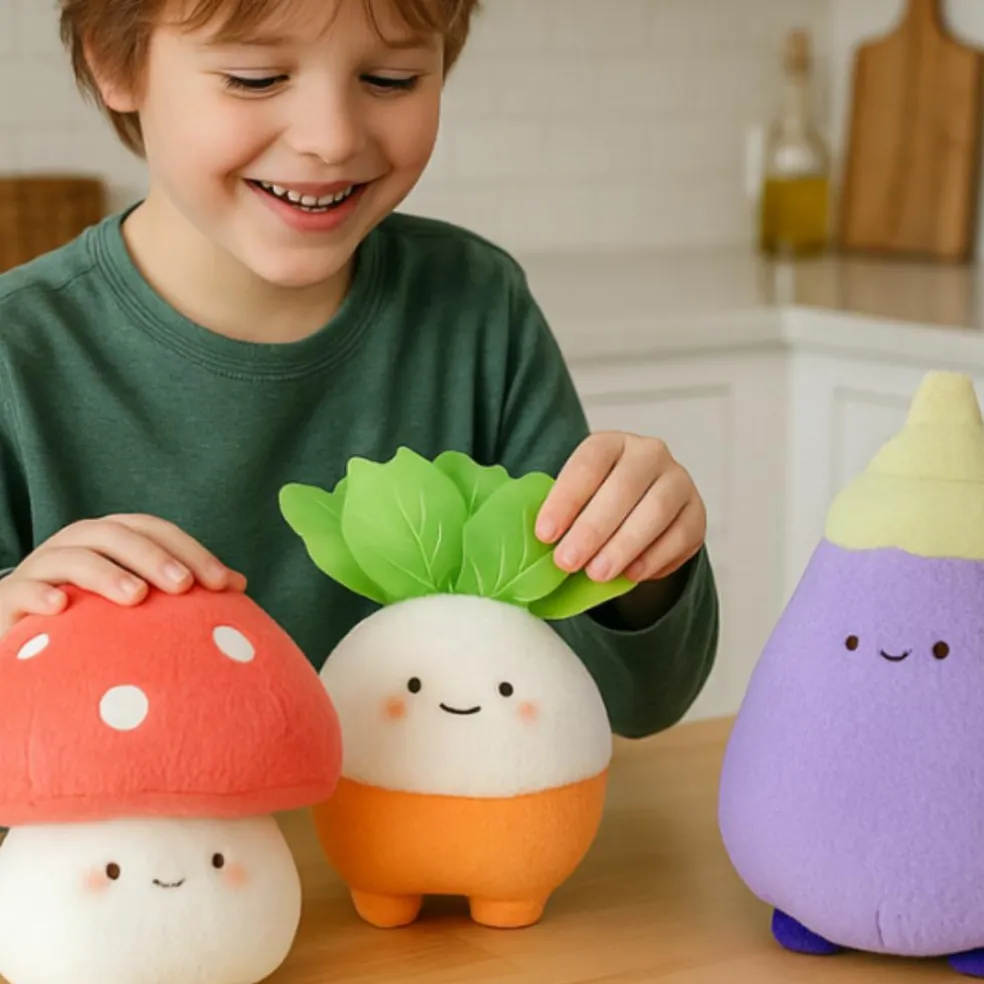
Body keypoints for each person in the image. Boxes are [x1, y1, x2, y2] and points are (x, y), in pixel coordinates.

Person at [0, 0, 718, 738]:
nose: (332, 139)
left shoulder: (476, 305)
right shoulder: (14, 355)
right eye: (256, 78)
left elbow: (628, 702)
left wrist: (639, 563)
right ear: (115, 62)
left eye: (390, 79)